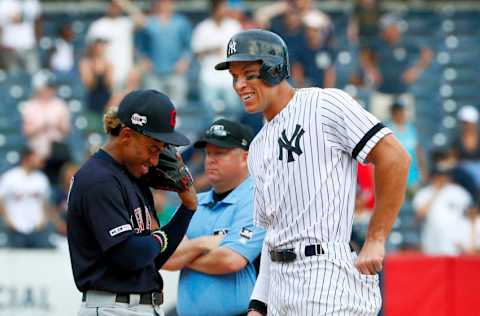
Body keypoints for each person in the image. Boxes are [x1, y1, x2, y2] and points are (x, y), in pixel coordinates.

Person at [215, 29, 410, 315]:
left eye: (248, 74)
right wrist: (258, 304)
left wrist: (376, 238)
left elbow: (395, 157)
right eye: (234, 77)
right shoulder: (257, 147)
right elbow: (272, 235)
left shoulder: (324, 104)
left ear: (274, 69)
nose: (239, 85)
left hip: (326, 271)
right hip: (280, 286)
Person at [67, 89, 197, 316]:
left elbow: (152, 258)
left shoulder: (133, 178)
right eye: (152, 148)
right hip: (113, 307)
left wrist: (187, 208)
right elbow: (131, 255)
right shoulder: (99, 180)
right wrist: (160, 237)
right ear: (126, 135)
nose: (156, 160)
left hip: (138, 306)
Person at [163, 119, 265, 316]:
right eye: (208, 153)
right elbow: (165, 258)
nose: (210, 159)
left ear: (246, 158)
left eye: (220, 153)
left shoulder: (257, 199)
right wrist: (203, 243)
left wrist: (185, 256)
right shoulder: (194, 202)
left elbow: (231, 260)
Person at [0, 147, 53, 248]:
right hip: (15, 228)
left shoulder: (42, 178)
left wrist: (44, 220)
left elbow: (46, 202)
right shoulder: (10, 177)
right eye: (36, 158)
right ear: (27, 158)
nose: (39, 160)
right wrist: (8, 221)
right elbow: (0, 200)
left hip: (37, 228)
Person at [413, 163, 472, 255]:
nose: (441, 178)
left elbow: (470, 214)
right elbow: (420, 214)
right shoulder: (424, 193)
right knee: (434, 264)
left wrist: (466, 237)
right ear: (432, 177)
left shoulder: (458, 191)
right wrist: (436, 192)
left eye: (443, 176)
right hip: (432, 234)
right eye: (438, 176)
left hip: (455, 234)